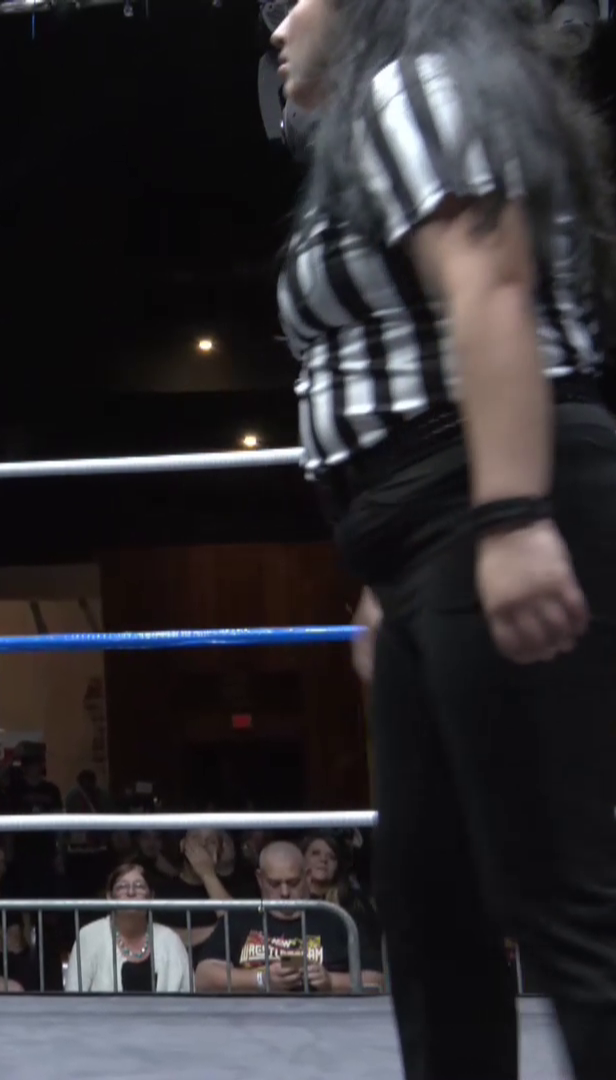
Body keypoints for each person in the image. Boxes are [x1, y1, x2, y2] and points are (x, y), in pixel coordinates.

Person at [271, 0, 616, 1074]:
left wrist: (510, 514)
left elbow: (490, 285)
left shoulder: (416, 86)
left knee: (562, 890)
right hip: (430, 527)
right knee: (429, 903)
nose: (278, 27)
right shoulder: (392, 113)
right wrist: (387, 575)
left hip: (489, 496)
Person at [64, 862, 192, 994]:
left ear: (151, 897)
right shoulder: (89, 936)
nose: (131, 892)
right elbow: (73, 996)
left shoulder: (170, 940)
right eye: (122, 887)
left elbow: (190, 994)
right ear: (109, 897)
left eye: (139, 886)